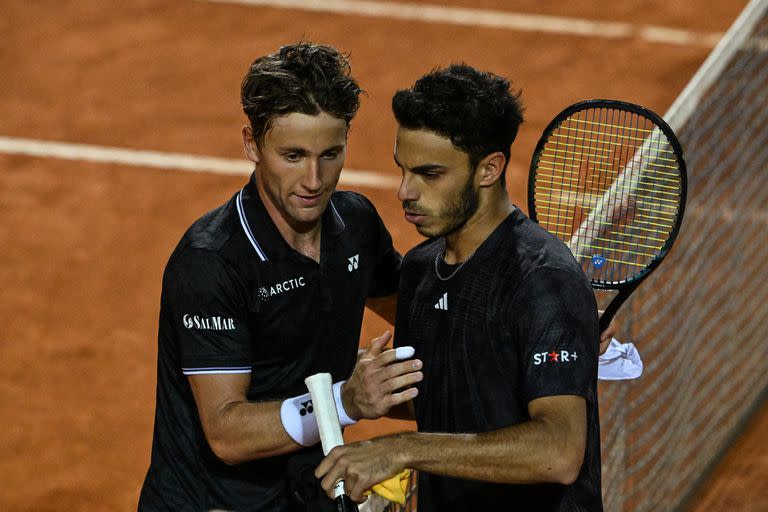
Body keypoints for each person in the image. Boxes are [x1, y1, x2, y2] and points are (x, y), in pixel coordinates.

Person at [138, 42, 423, 512]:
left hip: (310, 493)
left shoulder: (355, 225)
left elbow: (423, 321)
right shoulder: (211, 262)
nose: (314, 180)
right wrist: (347, 400)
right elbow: (227, 432)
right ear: (252, 144)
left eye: (330, 154)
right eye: (293, 156)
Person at [316, 64, 604, 511]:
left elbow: (560, 451)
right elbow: (447, 400)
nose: (405, 191)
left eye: (430, 174)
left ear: (488, 169)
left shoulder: (544, 280)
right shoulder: (420, 270)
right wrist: (360, 390)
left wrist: (402, 450)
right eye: (403, 169)